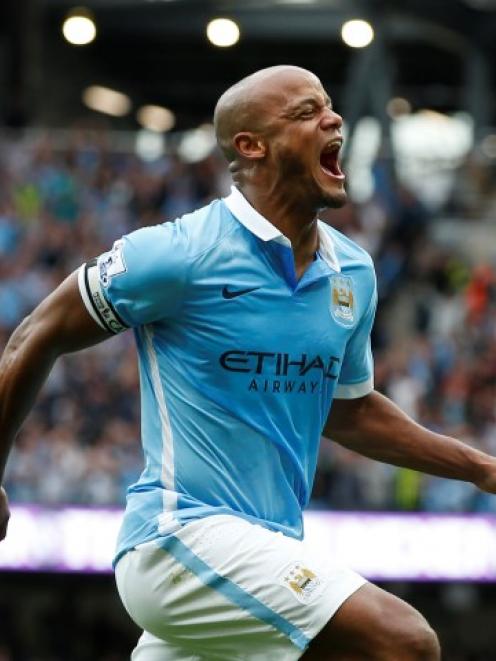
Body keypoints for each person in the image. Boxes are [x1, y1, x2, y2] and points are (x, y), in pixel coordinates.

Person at [0, 65, 495, 661]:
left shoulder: (354, 273)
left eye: (330, 107)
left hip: (262, 549)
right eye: (307, 112)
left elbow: (349, 412)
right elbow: (34, 335)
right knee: (404, 642)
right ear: (251, 146)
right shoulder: (178, 254)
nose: (333, 118)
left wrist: (479, 468)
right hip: (177, 538)